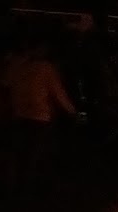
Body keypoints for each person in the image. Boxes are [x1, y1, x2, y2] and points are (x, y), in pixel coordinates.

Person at [4, 39, 75, 184]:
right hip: (39, 115)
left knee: (21, 152)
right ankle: (31, 184)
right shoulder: (45, 68)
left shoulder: (17, 65)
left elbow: (4, 83)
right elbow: (58, 93)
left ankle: (18, 184)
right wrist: (72, 112)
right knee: (36, 152)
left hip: (19, 113)